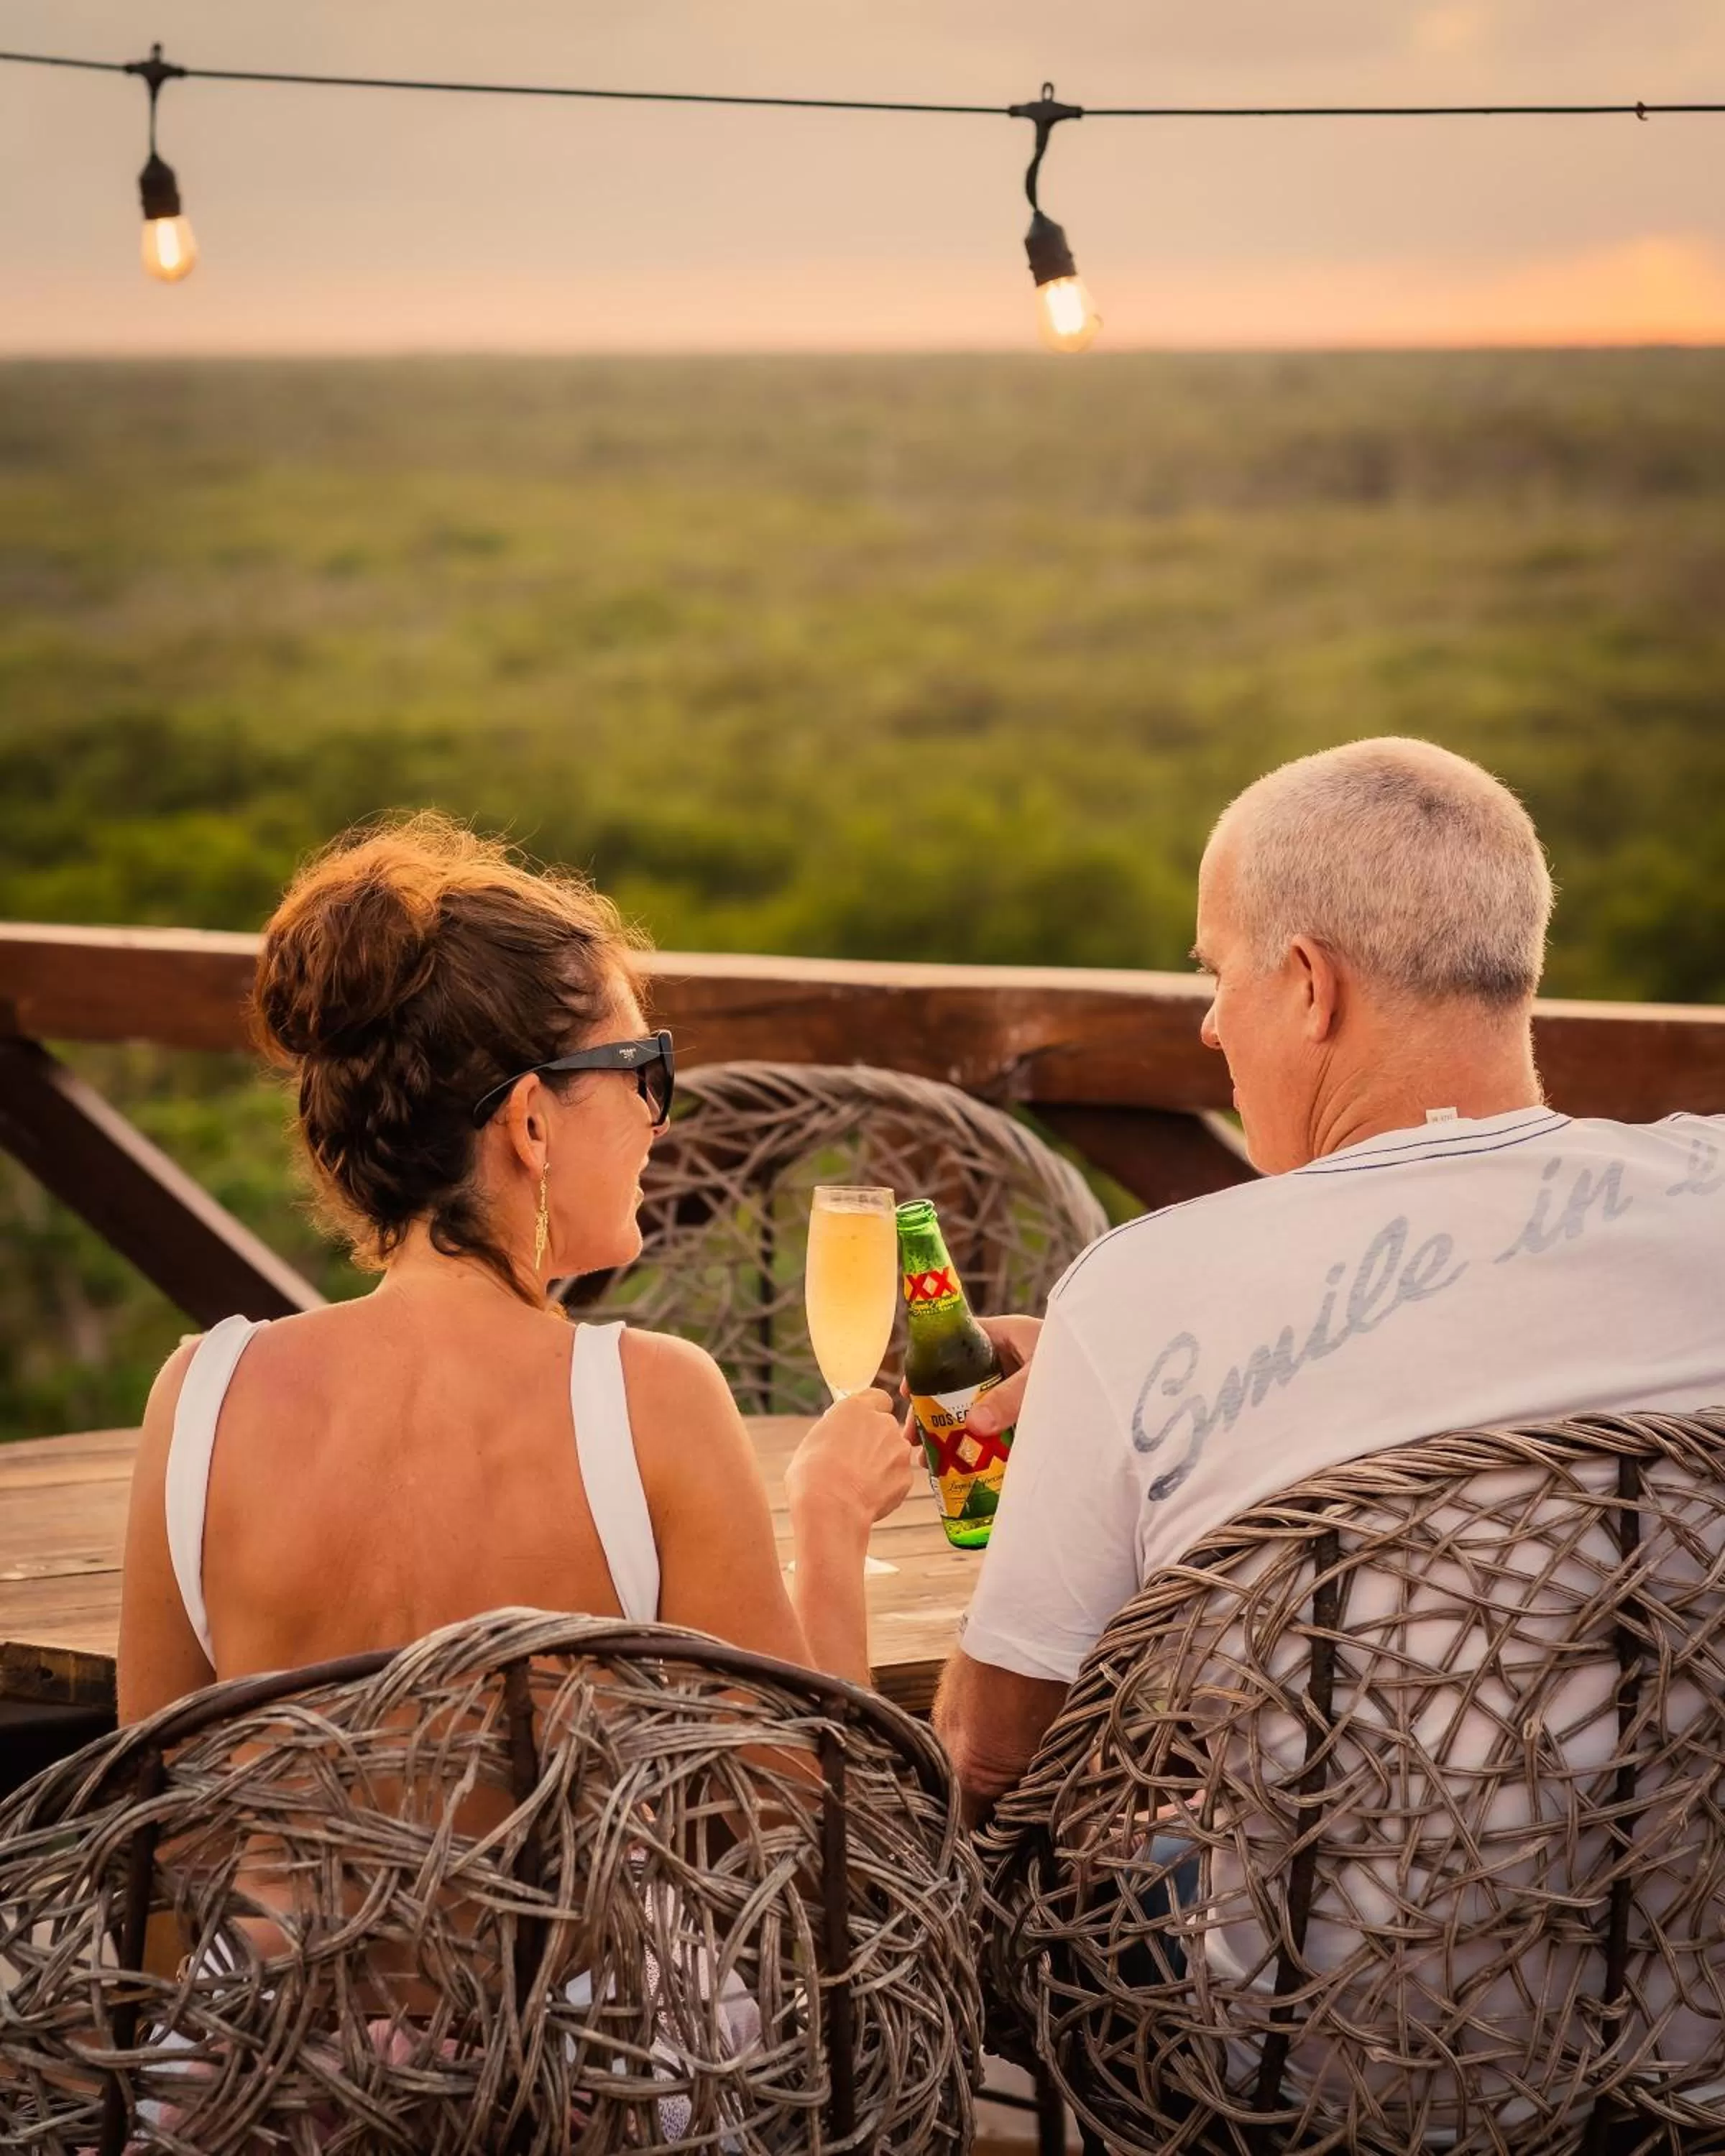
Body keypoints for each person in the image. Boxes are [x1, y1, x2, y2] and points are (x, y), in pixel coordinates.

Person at [936, 736, 1725, 1817]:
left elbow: (991, 1763)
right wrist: (1090, 1385)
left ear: (1311, 986)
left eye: (1217, 972)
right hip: (1688, 1911)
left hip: (1316, 1927)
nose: (1211, 1023)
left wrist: (1106, 1381)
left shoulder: (1144, 1295)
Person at [118, 813, 915, 1723]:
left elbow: (145, 1786)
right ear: (532, 1122)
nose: (658, 1119)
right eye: (641, 1070)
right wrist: (833, 1518)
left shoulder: (201, 1398)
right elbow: (809, 1799)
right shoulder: (653, 1404)